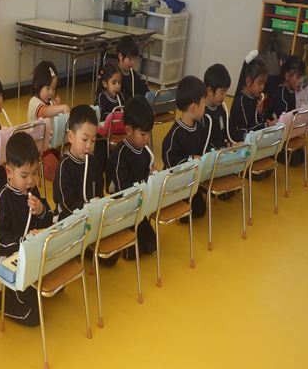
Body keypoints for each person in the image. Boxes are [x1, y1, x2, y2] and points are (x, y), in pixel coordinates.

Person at [0, 132, 54, 326]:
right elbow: (1, 242)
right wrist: (24, 242)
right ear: (9, 172)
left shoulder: (32, 190)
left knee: (56, 287)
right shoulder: (2, 201)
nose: (31, 180)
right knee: (32, 316)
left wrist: (41, 210)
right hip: (10, 262)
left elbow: (48, 220)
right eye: (24, 175)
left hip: (33, 256)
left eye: (34, 173)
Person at [106, 97, 157, 259]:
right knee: (133, 253)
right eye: (143, 134)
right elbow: (122, 191)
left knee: (151, 245)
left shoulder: (145, 153)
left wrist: (152, 177)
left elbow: (145, 180)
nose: (147, 138)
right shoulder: (120, 154)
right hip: (123, 209)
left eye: (149, 133)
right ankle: (117, 234)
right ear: (128, 130)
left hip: (138, 207)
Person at [161, 76, 208, 218]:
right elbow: (169, 159)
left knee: (199, 210)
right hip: (176, 181)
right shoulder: (176, 132)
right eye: (204, 103)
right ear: (194, 107)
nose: (205, 106)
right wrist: (191, 159)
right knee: (186, 215)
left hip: (192, 178)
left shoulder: (199, 126)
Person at [53, 104, 103, 221]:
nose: (89, 145)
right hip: (67, 219)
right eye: (84, 139)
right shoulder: (64, 166)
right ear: (71, 136)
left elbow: (99, 192)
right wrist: (87, 208)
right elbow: (67, 204)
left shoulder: (92, 161)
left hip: (89, 216)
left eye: (93, 140)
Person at [266, 56, 306, 166]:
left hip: (285, 133)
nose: (301, 80)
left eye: (302, 77)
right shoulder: (282, 94)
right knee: (296, 158)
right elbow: (283, 123)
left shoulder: (292, 91)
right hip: (275, 134)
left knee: (301, 155)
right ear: (288, 76)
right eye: (298, 77)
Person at [231, 56, 277, 142]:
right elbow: (246, 129)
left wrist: (260, 114)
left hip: (254, 138)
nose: (262, 87)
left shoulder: (255, 97)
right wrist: (265, 125)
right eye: (259, 83)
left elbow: (257, 122)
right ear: (248, 81)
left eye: (264, 83)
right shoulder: (240, 101)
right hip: (242, 141)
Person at [203, 63, 233, 150]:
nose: (224, 96)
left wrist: (245, 137)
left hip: (223, 151)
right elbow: (208, 143)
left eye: (226, 92)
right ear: (209, 90)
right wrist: (229, 145)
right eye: (222, 93)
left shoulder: (220, 107)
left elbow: (230, 130)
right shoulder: (202, 113)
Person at [116, 35, 149, 101]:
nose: (133, 62)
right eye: (130, 59)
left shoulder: (133, 74)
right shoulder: (113, 75)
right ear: (120, 56)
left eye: (134, 58)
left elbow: (144, 91)